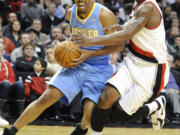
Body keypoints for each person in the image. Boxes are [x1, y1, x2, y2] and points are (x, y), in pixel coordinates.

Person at [2, 0, 124, 135]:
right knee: (47, 98)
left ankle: (82, 128)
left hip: (99, 67)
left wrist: (91, 53)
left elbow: (118, 46)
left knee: (89, 111)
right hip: (76, 64)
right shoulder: (71, 13)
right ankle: (12, 131)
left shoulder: (105, 15)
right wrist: (65, 50)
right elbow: (74, 38)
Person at [71, 0, 170, 134]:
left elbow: (126, 35)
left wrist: (91, 40)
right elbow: (134, 28)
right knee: (105, 98)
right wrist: (120, 27)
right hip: (132, 61)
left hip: (152, 69)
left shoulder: (148, 7)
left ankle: (157, 104)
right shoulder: (137, 4)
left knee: (120, 116)